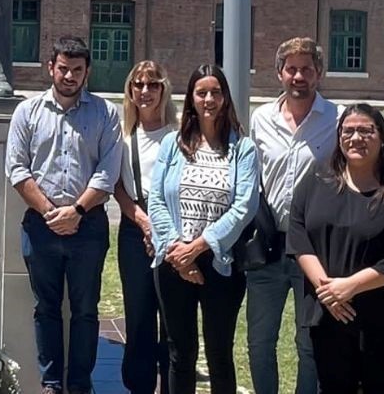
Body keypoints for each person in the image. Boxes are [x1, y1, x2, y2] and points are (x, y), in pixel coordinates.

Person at [288, 103, 384, 394]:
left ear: (382, 138)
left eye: (366, 131)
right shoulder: (317, 178)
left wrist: (350, 286)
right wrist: (327, 291)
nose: (356, 138)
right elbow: (299, 233)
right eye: (348, 130)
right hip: (329, 314)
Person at [6, 36, 122, 394]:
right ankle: (52, 383)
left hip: (88, 226)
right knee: (46, 308)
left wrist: (76, 210)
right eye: (63, 68)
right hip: (41, 227)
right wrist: (50, 212)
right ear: (50, 68)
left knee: (87, 309)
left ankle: (80, 383)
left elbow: (107, 172)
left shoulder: (106, 112)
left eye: (77, 70)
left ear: (87, 72)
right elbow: (17, 169)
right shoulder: (27, 112)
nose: (69, 76)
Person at [147, 64, 259, 394]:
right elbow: (156, 200)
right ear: (191, 99)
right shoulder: (172, 144)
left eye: (215, 92)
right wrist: (177, 252)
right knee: (179, 354)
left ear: (225, 98)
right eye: (201, 92)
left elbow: (244, 207)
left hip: (220, 264)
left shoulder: (244, 149)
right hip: (173, 261)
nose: (208, 99)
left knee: (218, 355)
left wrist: (198, 247)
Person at [245, 37, 337, 394]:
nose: (299, 76)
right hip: (266, 247)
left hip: (312, 250)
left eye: (307, 69)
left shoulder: (337, 118)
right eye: (292, 69)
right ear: (279, 73)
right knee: (259, 340)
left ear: (319, 74)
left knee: (309, 343)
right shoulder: (261, 118)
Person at [112, 60, 179, 394]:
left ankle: (170, 385)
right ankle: (138, 385)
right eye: (138, 85)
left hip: (173, 233)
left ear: (163, 89)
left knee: (171, 318)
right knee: (138, 317)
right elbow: (116, 186)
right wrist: (141, 219)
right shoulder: (122, 135)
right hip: (133, 230)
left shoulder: (178, 135)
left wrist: (161, 228)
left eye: (153, 84)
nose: (145, 91)